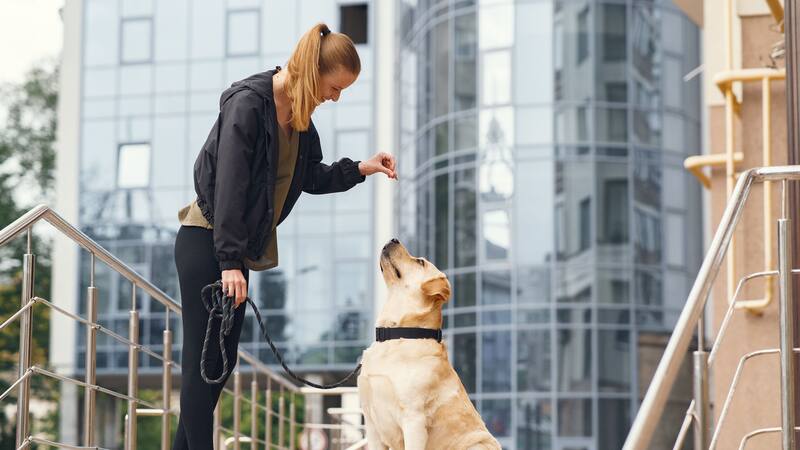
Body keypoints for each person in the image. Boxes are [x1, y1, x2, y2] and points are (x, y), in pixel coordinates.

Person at [171, 22, 396, 449]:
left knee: (220, 363)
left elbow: (309, 174)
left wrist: (362, 168)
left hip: (231, 253)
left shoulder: (300, 119)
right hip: (208, 242)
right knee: (202, 368)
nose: (336, 96)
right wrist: (230, 262)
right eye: (335, 86)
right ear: (314, 72)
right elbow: (230, 186)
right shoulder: (249, 104)